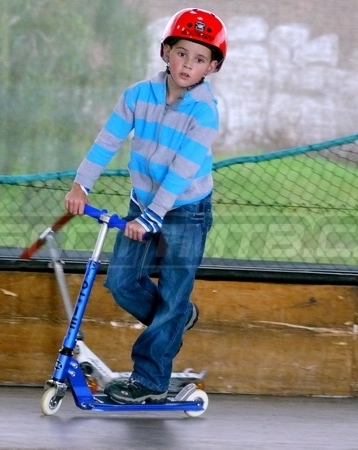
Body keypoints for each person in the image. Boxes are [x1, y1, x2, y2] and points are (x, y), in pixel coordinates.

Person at [64, 8, 227, 405]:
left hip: (186, 210)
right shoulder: (138, 95)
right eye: (181, 53)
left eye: (199, 59)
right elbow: (108, 140)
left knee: (172, 293)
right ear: (166, 52)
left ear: (212, 67)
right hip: (142, 202)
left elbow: (182, 171)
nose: (187, 64)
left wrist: (155, 216)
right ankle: (178, 318)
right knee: (122, 283)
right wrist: (82, 185)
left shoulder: (205, 111)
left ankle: (150, 379)